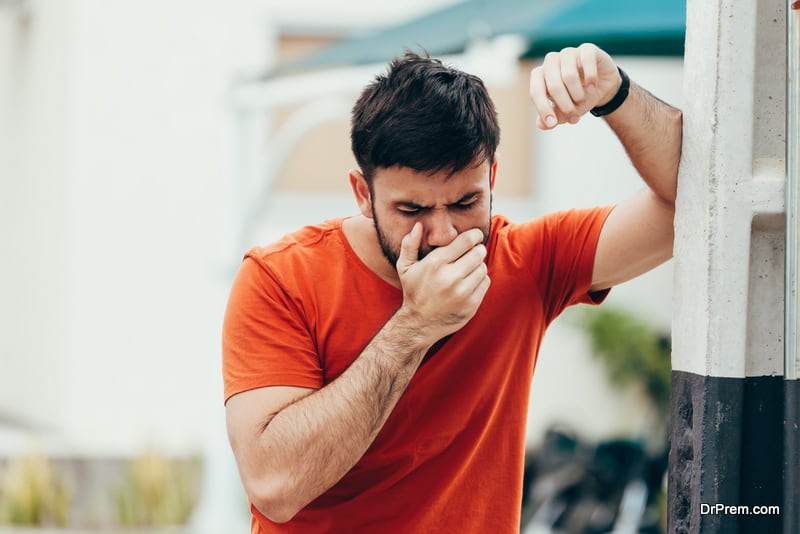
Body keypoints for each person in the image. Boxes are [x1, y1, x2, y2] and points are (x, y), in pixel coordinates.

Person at [222, 43, 682, 533]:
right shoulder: (280, 278)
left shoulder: (527, 261)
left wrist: (616, 94)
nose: (443, 235)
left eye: (465, 202)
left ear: (493, 178)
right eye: (412, 211)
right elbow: (274, 485)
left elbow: (694, 202)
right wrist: (414, 328)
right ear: (363, 195)